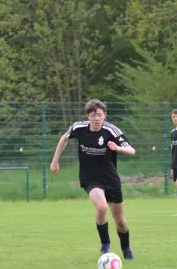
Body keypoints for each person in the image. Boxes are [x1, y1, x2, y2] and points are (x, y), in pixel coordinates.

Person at [50, 99, 136, 259]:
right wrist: (55, 160)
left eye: (100, 115)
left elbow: (132, 151)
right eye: (93, 115)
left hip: (110, 178)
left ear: (104, 115)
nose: (97, 118)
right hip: (90, 178)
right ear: (88, 116)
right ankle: (105, 245)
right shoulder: (79, 128)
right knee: (102, 207)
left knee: (120, 220)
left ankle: (126, 248)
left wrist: (118, 148)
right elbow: (64, 138)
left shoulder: (112, 131)